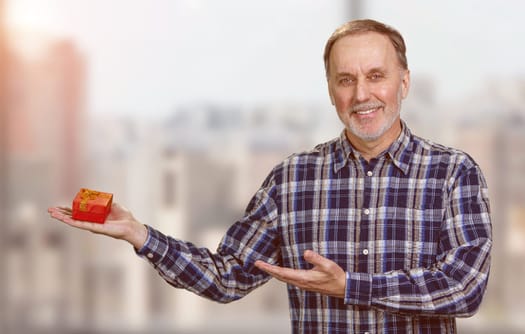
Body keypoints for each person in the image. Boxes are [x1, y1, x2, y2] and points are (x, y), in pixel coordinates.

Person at [48, 19, 492, 333]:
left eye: (377, 76)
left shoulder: (453, 173)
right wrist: (140, 234)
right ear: (330, 90)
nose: (362, 94)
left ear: (405, 82)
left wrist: (352, 287)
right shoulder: (291, 180)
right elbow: (227, 277)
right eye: (345, 79)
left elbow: (465, 288)